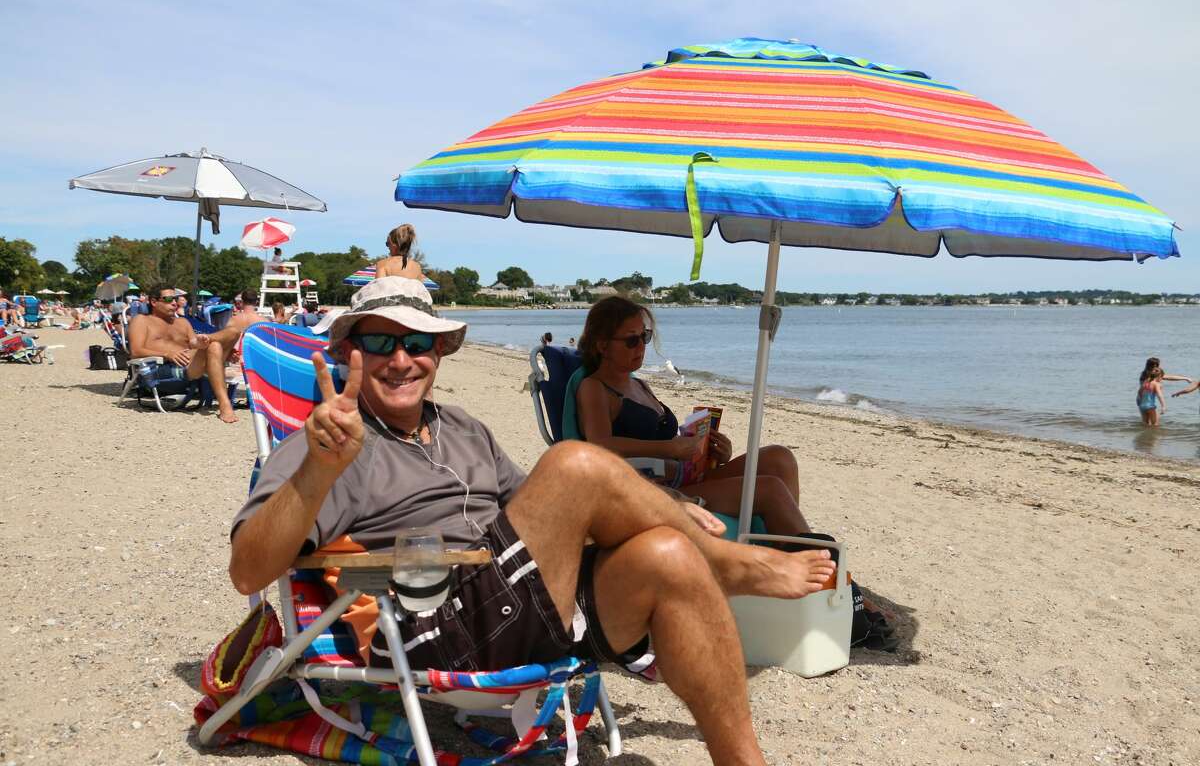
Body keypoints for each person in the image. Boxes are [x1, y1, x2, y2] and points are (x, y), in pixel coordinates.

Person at [228, 277, 837, 765]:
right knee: (575, 462)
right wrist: (318, 469)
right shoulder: (332, 444)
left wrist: (668, 517)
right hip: (436, 621)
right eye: (380, 343)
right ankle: (737, 564)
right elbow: (249, 570)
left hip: (524, 601)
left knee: (667, 556)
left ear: (440, 353)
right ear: (346, 353)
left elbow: (549, 511)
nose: (401, 360)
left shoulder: (461, 425)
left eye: (418, 343)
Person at [575, 296, 809, 535]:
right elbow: (599, 445)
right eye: (631, 340)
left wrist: (711, 452)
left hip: (684, 474)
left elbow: (667, 442)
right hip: (659, 488)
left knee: (780, 458)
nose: (641, 347)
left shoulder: (640, 385)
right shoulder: (595, 387)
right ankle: (812, 554)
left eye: (644, 337)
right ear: (602, 346)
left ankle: (787, 543)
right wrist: (670, 449)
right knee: (769, 489)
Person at [128, 284, 243, 423]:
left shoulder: (182, 322)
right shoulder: (142, 320)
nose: (174, 303)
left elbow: (194, 343)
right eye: (168, 299)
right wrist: (167, 354)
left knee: (233, 332)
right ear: (153, 302)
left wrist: (206, 343)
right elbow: (135, 351)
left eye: (175, 299)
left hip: (192, 365)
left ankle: (224, 402)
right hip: (163, 370)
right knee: (215, 347)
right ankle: (225, 405)